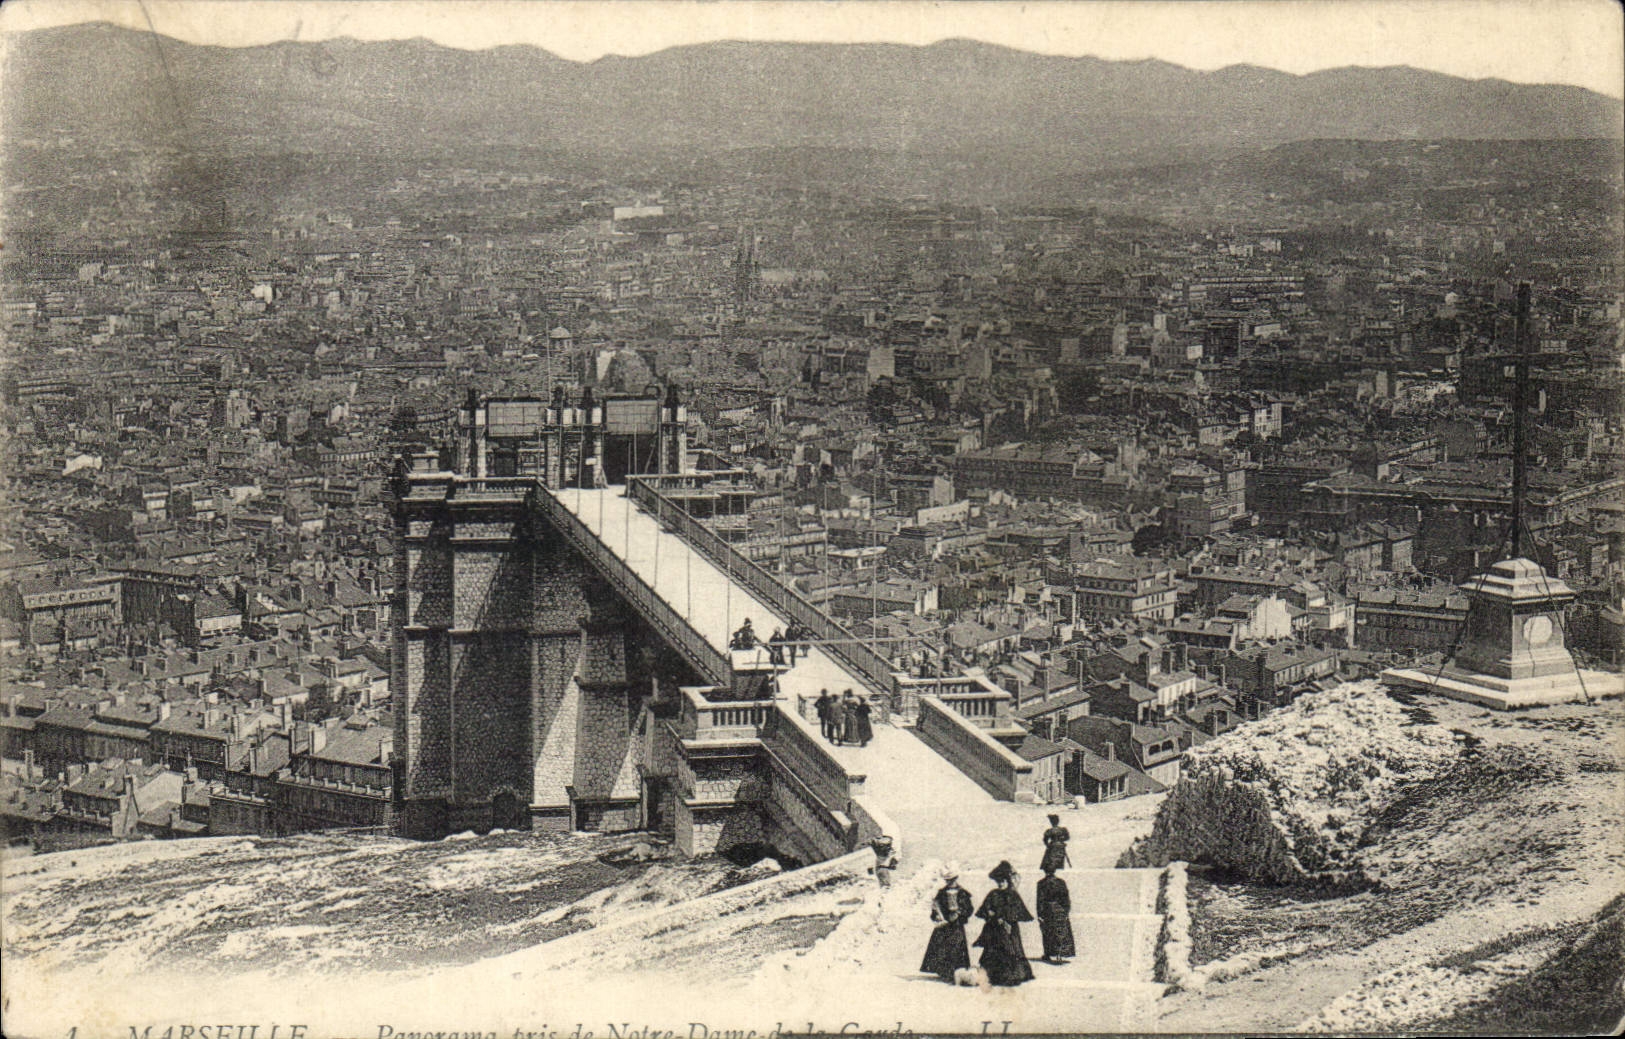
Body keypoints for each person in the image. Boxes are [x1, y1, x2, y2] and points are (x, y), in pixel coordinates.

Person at [974, 860, 1035, 986]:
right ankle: (992, 975)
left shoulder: (1013, 895)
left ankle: (1012, 976)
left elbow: (1017, 911)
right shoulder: (993, 894)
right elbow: (983, 909)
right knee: (992, 952)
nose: (1000, 884)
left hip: (1010, 930)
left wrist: (1007, 920)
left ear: (1008, 881)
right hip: (994, 930)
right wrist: (991, 914)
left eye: (1002, 881)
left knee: (1012, 950)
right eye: (998, 882)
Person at [920, 864, 973, 981]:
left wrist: (959, 913)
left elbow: (969, 909)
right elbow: (935, 908)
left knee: (957, 947)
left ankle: (957, 971)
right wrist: (937, 916)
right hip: (944, 925)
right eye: (947, 880)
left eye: (951, 880)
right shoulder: (941, 893)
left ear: (956, 879)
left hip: (957, 925)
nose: (949, 882)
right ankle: (944, 971)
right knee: (942, 947)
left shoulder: (963, 893)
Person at [1035, 866, 1075, 965]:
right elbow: (1066, 898)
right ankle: (1061, 954)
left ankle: (1048, 953)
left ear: (1045, 871)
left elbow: (1040, 900)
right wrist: (1066, 910)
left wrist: (1039, 914)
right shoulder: (1061, 882)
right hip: (1060, 909)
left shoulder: (1041, 883)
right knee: (1062, 932)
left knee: (1047, 932)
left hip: (1048, 910)